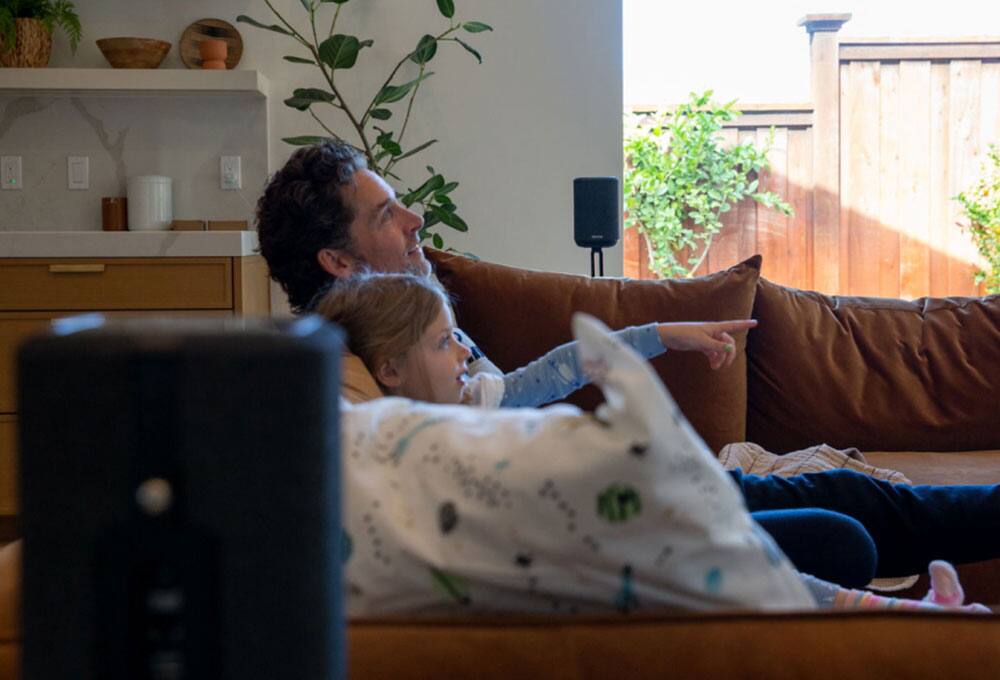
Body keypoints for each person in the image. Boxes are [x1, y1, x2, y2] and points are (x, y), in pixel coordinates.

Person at [256, 139, 1000, 589]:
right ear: (339, 262)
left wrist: (650, 336)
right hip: (606, 517)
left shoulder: (400, 334)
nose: (417, 219)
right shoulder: (352, 384)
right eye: (388, 214)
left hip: (623, 494)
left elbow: (517, 395)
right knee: (846, 529)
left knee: (850, 504)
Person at [316, 270, 987, 613]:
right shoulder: (435, 457)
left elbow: (561, 366)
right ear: (392, 369)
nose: (466, 352)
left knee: (854, 500)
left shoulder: (473, 399)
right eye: (445, 342)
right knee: (846, 534)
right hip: (655, 509)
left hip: (687, 490)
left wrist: (664, 334)